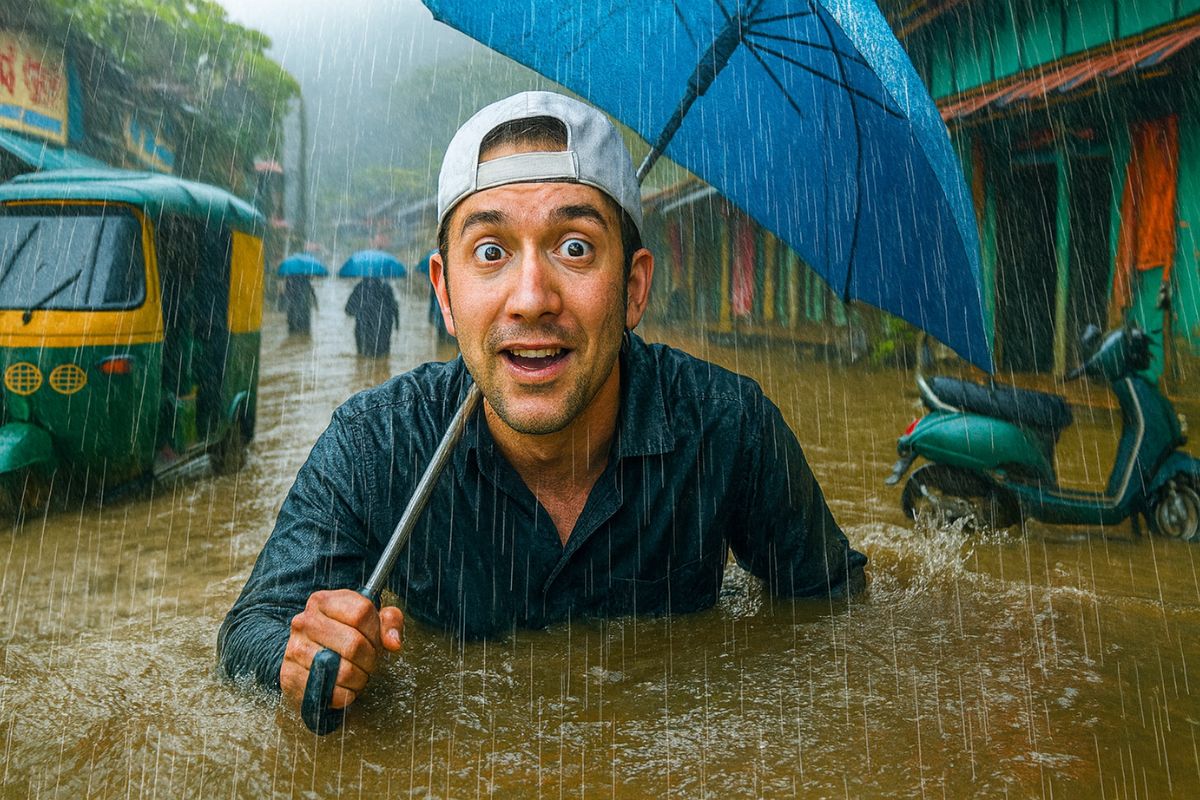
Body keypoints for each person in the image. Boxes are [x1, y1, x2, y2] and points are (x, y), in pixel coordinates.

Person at [218, 91, 866, 714]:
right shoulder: (378, 443)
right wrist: (305, 659)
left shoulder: (729, 427)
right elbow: (252, 629)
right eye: (491, 252)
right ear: (444, 293)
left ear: (634, 288)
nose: (531, 297)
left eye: (575, 247)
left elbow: (832, 609)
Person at [344, 276, 399, 356]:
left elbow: (348, 309)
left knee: (363, 356)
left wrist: (359, 312)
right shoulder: (386, 287)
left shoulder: (360, 287)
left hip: (364, 327)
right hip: (384, 327)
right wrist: (397, 323)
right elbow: (394, 307)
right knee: (383, 356)